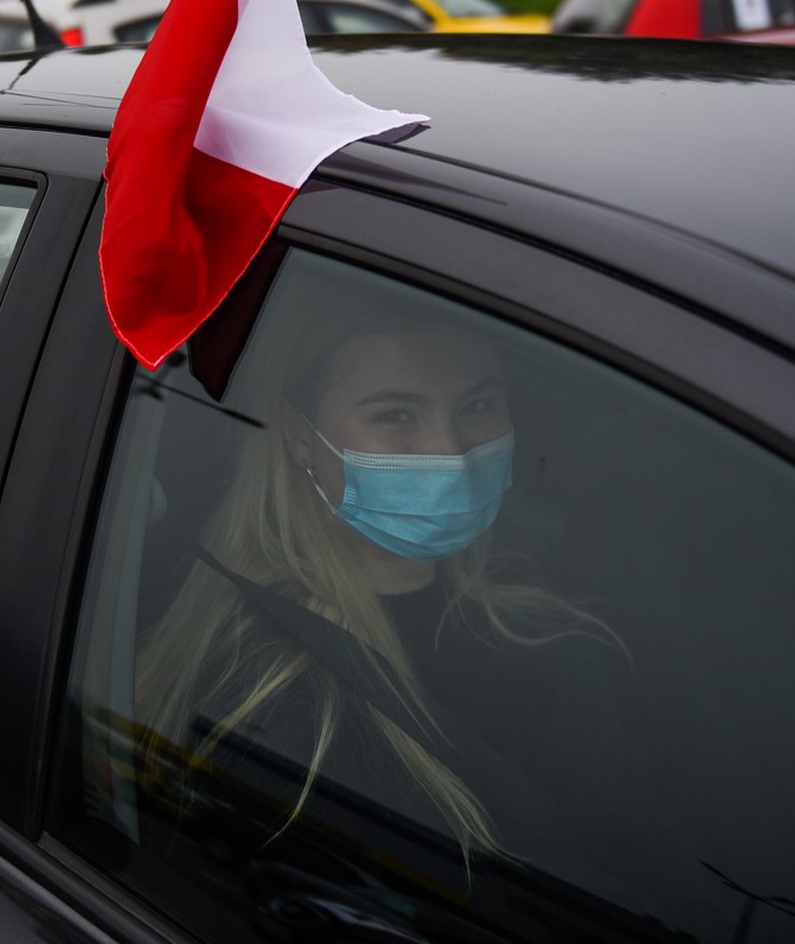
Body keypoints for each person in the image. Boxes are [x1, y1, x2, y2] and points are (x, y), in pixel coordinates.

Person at [134, 289, 688, 915]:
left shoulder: (537, 595)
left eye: (476, 405)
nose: (451, 452)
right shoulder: (267, 700)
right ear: (299, 438)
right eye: (396, 415)